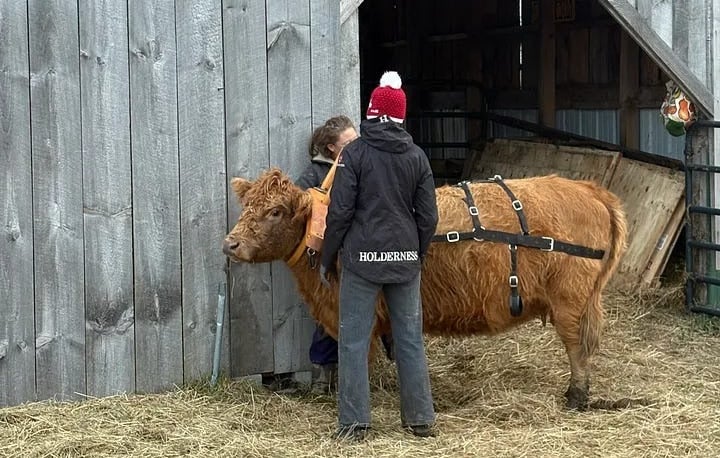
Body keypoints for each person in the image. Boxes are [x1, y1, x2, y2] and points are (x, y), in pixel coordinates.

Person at [320, 71, 438, 441]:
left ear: (371, 113)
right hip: (405, 262)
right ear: (401, 117)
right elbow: (429, 216)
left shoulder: (354, 154)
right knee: (409, 339)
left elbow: (340, 212)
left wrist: (327, 256)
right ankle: (419, 419)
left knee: (353, 340)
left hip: (360, 262)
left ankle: (355, 425)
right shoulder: (417, 157)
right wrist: (415, 252)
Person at [295, 115, 359, 395]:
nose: (357, 144)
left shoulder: (359, 165)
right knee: (328, 315)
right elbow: (298, 208)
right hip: (330, 256)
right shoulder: (315, 174)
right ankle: (324, 374)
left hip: (358, 251)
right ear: (332, 148)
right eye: (350, 141)